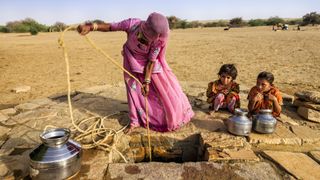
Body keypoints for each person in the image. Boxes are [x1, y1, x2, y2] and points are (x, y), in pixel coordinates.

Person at [77, 12, 194, 133]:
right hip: (131, 63)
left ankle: (166, 118)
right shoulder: (132, 25)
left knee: (162, 93)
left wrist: (146, 82)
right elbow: (111, 26)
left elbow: (151, 61)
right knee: (134, 91)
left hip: (150, 67)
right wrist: (91, 27)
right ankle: (135, 121)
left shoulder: (159, 40)